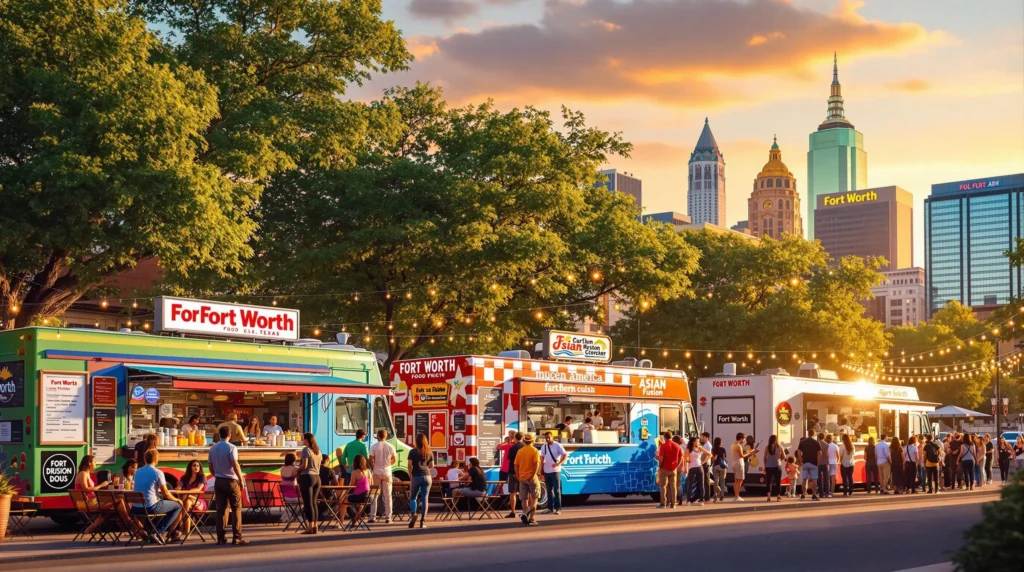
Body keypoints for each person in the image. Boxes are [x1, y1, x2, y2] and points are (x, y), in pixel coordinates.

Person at [133, 449, 184, 543]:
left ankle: (151, 532)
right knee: (177, 506)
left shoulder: (137, 472)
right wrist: (177, 500)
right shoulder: (158, 472)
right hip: (149, 507)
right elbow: (166, 493)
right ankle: (157, 532)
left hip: (135, 507)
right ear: (156, 459)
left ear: (145, 459)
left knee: (160, 503)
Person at [207, 426, 248, 544]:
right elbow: (235, 464)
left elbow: (210, 466)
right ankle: (237, 537)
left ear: (220, 434)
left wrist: (217, 475)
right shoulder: (232, 447)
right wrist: (241, 479)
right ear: (230, 434)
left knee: (221, 510)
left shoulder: (213, 448)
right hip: (231, 481)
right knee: (236, 509)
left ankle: (220, 537)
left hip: (219, 480)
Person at [294, 432, 322, 535]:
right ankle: (315, 526)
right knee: (314, 503)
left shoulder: (306, 450)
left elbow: (304, 465)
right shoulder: (318, 451)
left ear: (306, 440)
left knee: (308, 503)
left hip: (307, 477)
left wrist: (297, 469)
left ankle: (309, 527)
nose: (302, 440)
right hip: (317, 478)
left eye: (303, 439)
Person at [75, 455, 110, 534]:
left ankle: (91, 527)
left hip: (90, 501)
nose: (95, 463)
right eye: (94, 462)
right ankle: (131, 525)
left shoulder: (86, 473)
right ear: (89, 463)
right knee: (117, 502)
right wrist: (101, 485)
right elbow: (85, 489)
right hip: (86, 503)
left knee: (113, 506)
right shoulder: (83, 474)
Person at [369, 428, 397, 523]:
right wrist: (389, 464)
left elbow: (370, 459)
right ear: (385, 436)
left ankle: (372, 516)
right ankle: (388, 517)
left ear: (378, 436)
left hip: (376, 472)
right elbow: (394, 459)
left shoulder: (374, 446)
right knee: (388, 495)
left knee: (374, 495)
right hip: (387, 473)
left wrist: (374, 468)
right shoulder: (390, 446)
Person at [514, 433, 542, 526]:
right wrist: (533, 475)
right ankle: (531, 518)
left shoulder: (520, 451)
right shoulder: (534, 450)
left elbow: (516, 465)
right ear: (533, 441)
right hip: (532, 478)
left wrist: (518, 475)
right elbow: (536, 464)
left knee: (524, 499)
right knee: (535, 498)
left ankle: (525, 513)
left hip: (522, 477)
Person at [407, 433, 434, 529]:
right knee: (425, 499)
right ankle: (423, 521)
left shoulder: (412, 451)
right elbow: (432, 465)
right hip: (427, 476)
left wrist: (410, 474)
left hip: (416, 476)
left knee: (413, 497)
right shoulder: (429, 451)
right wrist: (426, 469)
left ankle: (414, 513)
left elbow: (410, 465)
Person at [177, 459, 208, 537]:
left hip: (199, 502)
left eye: (198, 466)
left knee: (184, 503)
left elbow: (198, 489)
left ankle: (180, 528)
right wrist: (179, 488)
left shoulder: (202, 477)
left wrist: (187, 492)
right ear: (190, 467)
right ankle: (187, 532)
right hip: (187, 501)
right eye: (194, 465)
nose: (196, 467)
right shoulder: (184, 478)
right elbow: (178, 487)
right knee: (186, 503)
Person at [540, 431, 567, 514]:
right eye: (546, 438)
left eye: (549, 437)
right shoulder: (544, 447)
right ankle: (550, 508)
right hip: (546, 471)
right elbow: (542, 458)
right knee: (549, 490)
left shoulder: (557, 445)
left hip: (555, 471)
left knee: (557, 490)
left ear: (552, 437)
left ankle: (558, 508)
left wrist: (558, 463)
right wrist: (541, 469)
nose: (547, 439)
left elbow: (565, 455)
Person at [339, 454, 372, 520]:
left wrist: (345, 493)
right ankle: (356, 518)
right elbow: (370, 483)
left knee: (342, 501)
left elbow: (351, 486)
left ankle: (340, 522)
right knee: (360, 503)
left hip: (360, 497)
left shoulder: (355, 472)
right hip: (368, 497)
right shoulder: (368, 471)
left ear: (355, 463)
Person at [654, 431, 682, 508]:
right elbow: (680, 458)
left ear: (665, 437)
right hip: (673, 469)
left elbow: (661, 458)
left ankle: (663, 503)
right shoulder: (677, 446)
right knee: (673, 486)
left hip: (664, 468)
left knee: (663, 486)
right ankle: (673, 504)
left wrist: (660, 466)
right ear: (671, 437)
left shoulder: (663, 446)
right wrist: (676, 466)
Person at [730, 432, 758, 501]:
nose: (744, 440)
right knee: (740, 480)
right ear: (741, 438)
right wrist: (750, 453)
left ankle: (735, 496)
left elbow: (739, 454)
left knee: (736, 480)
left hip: (734, 463)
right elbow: (742, 456)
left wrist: (749, 452)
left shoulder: (732, 445)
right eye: (744, 438)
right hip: (739, 463)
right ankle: (737, 496)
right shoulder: (738, 445)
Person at [505, 432, 525, 518]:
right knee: (525, 492)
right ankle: (525, 511)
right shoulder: (525, 447)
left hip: (513, 472)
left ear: (515, 438)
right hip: (524, 472)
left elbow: (509, 458)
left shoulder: (513, 448)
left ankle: (513, 511)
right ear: (523, 437)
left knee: (512, 493)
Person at [684, 436, 709, 506]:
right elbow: (686, 460)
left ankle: (701, 500)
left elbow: (709, 454)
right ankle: (688, 500)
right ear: (693, 442)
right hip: (691, 467)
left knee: (701, 484)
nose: (698, 442)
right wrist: (686, 468)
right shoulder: (688, 449)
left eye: (698, 441)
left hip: (699, 467)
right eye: (697, 441)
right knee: (690, 484)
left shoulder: (700, 448)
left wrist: (703, 462)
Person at [796, 434, 821, 501]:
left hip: (805, 463)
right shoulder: (816, 442)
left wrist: (801, 460)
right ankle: (814, 495)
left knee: (804, 479)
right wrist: (818, 462)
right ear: (814, 434)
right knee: (814, 479)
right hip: (813, 463)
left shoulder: (802, 442)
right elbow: (820, 453)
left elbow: (798, 452)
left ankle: (803, 494)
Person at [763, 435, 784, 502]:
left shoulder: (767, 447)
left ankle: (769, 496)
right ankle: (778, 496)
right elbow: (784, 456)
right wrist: (779, 460)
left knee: (769, 482)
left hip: (769, 466)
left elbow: (765, 458)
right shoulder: (780, 447)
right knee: (778, 482)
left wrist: (765, 465)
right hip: (777, 465)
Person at [711, 437, 728, 502]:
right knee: (722, 481)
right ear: (720, 442)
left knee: (716, 481)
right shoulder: (723, 449)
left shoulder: (713, 449)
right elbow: (724, 458)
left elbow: (713, 459)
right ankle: (722, 496)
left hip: (715, 466)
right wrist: (726, 461)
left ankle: (715, 495)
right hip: (722, 466)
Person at [700, 432, 713, 502]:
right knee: (704, 480)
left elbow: (708, 455)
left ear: (706, 437)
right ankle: (705, 496)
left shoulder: (708, 445)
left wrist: (703, 462)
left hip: (706, 464)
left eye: (702, 436)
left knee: (706, 480)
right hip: (704, 464)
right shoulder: (705, 444)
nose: (701, 438)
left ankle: (707, 497)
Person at [825, 434, 839, 498]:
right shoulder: (835, 446)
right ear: (832, 439)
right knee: (833, 478)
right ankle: (832, 491)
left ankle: (827, 491)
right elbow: (838, 455)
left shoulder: (826, 446)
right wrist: (837, 462)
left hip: (827, 462)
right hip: (834, 462)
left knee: (827, 478)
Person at [816, 433, 829, 497]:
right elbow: (827, 455)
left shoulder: (816, 444)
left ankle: (821, 493)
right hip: (825, 463)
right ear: (824, 437)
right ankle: (827, 492)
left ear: (818, 437)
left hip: (818, 463)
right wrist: (827, 463)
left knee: (819, 479)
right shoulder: (827, 445)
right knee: (826, 478)